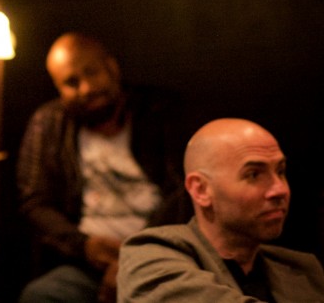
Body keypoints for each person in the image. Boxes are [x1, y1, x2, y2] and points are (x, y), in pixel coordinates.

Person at [15, 31, 190, 303]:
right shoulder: (49, 122)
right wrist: (84, 246)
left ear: (112, 67)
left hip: (163, 254)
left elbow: (183, 191)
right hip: (88, 263)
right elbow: (35, 202)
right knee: (40, 295)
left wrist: (137, 255)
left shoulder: (159, 112)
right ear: (58, 89)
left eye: (91, 72)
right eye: (71, 82)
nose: (86, 88)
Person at [117, 117, 324, 301]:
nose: (280, 190)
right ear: (201, 190)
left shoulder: (302, 269)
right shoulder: (151, 256)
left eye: (280, 171)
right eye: (253, 174)